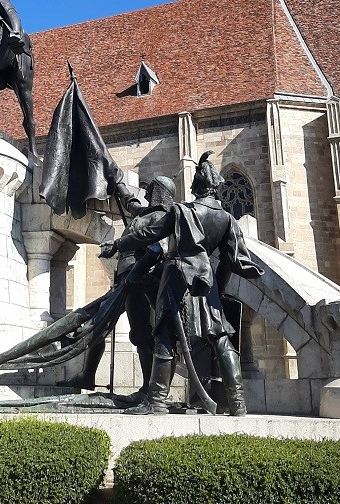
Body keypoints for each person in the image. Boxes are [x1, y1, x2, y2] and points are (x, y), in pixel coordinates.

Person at [100, 152, 262, 415]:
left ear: (198, 185)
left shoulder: (182, 211)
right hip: (205, 281)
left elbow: (149, 233)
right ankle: (238, 403)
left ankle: (156, 401)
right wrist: (227, 284)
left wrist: (118, 244)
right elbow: (234, 260)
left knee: (164, 335)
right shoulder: (226, 219)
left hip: (177, 277)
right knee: (221, 339)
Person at [59, 175, 176, 405]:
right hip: (124, 279)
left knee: (141, 332)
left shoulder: (161, 218)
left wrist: (118, 247)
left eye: (151, 190)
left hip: (139, 279)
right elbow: (130, 202)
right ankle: (88, 376)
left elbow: (150, 244)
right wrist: (117, 181)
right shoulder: (144, 213)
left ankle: (148, 389)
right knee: (101, 322)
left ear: (160, 192)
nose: (147, 193)